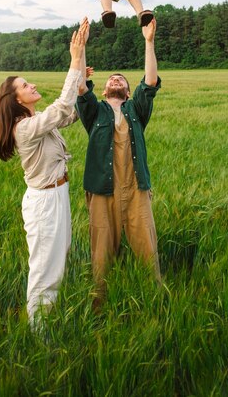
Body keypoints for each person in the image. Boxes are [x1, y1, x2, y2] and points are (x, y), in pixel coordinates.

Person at [0, 18, 89, 327]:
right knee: (44, 269)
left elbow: (70, 114)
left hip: (57, 195)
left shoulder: (38, 123)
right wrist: (74, 60)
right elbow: (61, 108)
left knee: (57, 263)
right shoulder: (24, 129)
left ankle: (46, 325)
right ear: (15, 99)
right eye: (24, 85)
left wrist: (81, 77)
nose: (31, 85)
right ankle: (38, 336)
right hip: (44, 203)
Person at [76, 18, 161, 309]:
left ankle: (153, 301)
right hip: (102, 191)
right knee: (101, 253)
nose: (115, 80)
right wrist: (82, 49)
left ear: (127, 91)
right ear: (103, 90)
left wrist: (149, 42)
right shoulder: (95, 112)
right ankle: (99, 306)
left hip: (137, 188)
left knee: (147, 249)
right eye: (111, 79)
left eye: (121, 80)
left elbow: (150, 83)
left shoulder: (136, 109)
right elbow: (79, 88)